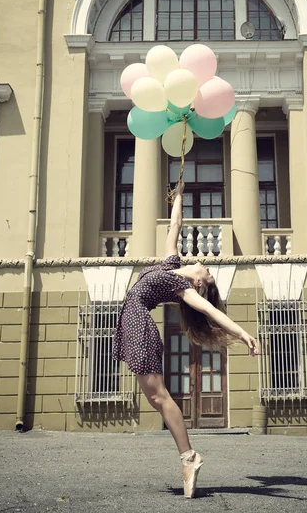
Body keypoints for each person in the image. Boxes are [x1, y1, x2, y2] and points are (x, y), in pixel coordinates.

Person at [112, 180, 260, 498]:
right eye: (209, 270)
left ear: (201, 285)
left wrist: (243, 333)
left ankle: (189, 458)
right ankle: (188, 458)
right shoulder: (171, 265)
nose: (208, 267)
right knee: (156, 399)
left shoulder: (186, 290)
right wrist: (179, 196)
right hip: (133, 322)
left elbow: (214, 313)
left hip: (139, 325)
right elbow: (174, 227)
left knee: (160, 398)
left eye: (209, 275)